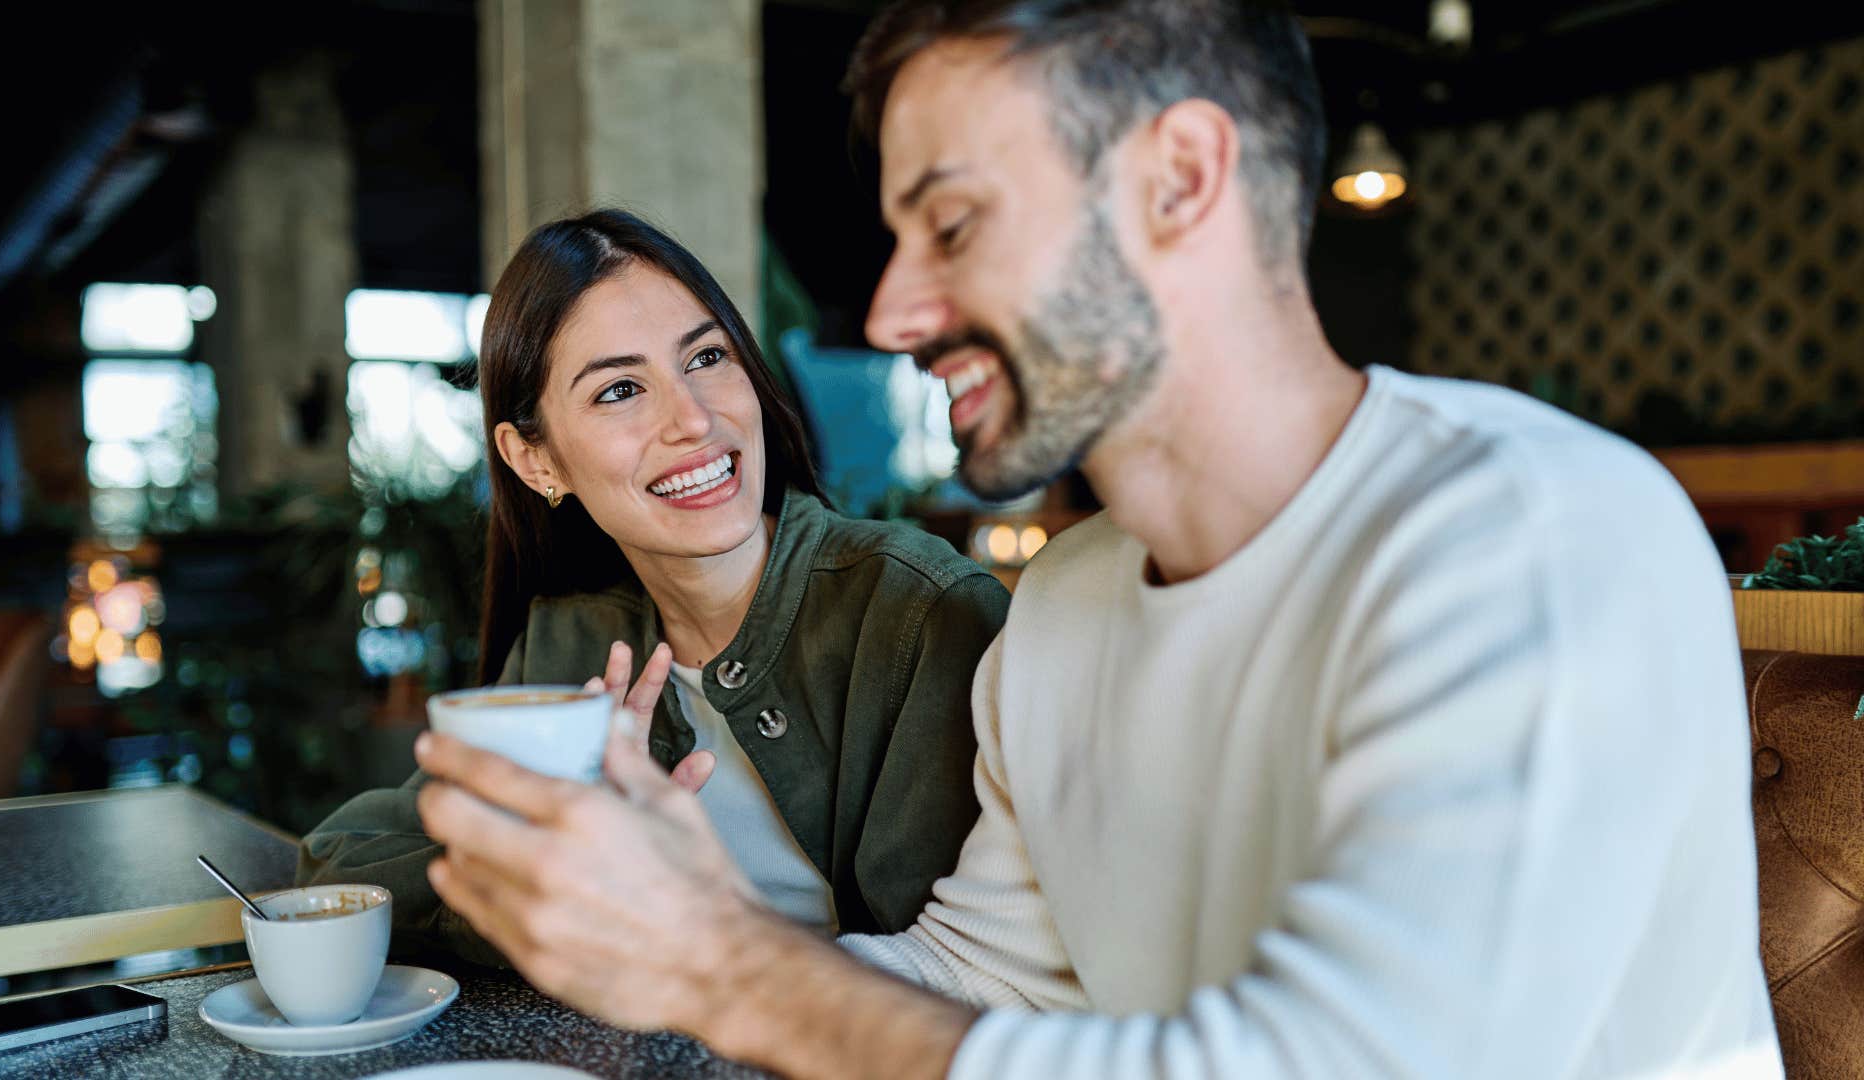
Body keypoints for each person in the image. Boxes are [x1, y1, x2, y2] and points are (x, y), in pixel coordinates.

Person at [409, 3, 1784, 1077]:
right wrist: (677, 914)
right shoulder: (1064, 614)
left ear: (1181, 178)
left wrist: (720, 966)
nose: (890, 312)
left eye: (950, 223)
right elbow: (982, 981)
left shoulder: (1527, 544)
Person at [300, 209, 1009, 957]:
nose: (694, 420)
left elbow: (967, 985)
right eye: (618, 392)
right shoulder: (568, 643)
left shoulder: (923, 619)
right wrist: (559, 864)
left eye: (705, 359)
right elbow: (339, 859)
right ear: (535, 461)